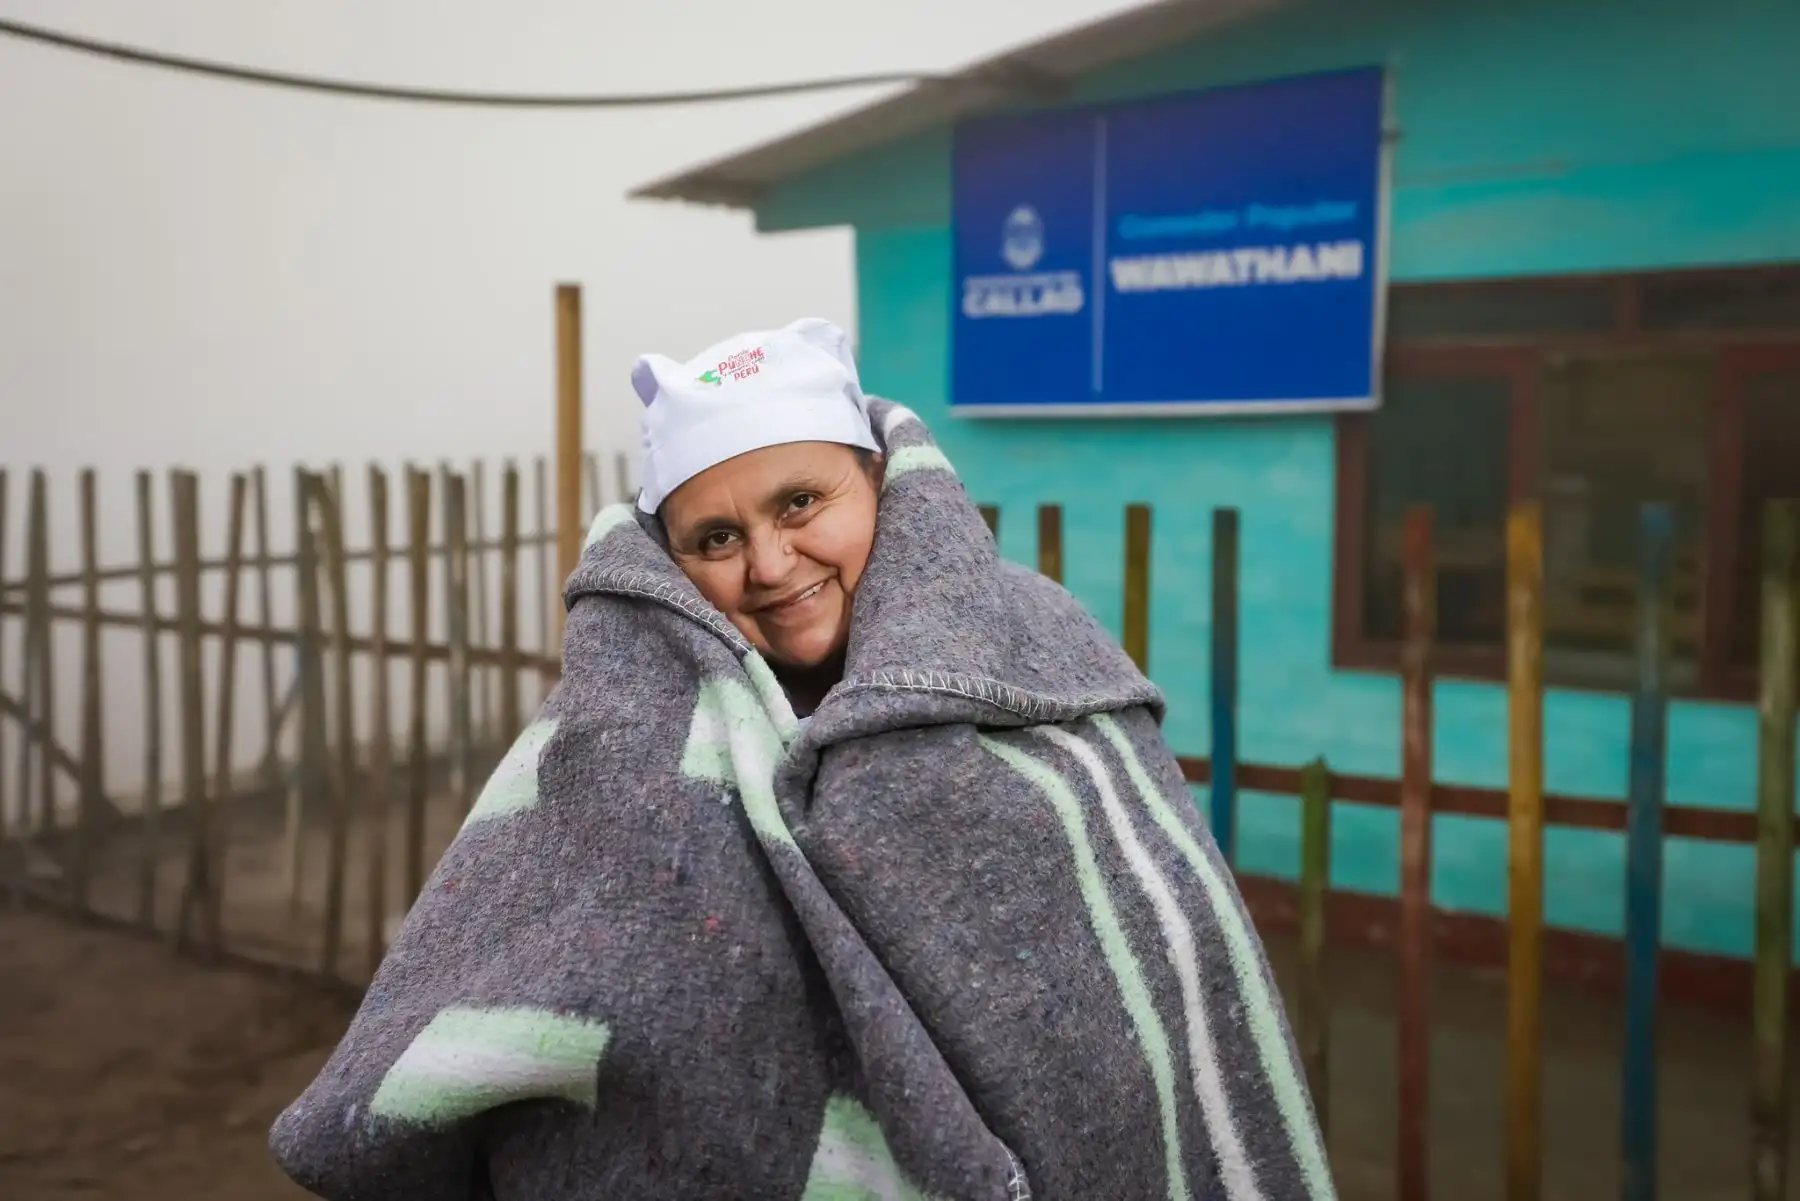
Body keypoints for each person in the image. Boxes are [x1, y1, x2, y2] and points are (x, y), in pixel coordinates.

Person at [270, 318, 1335, 1201]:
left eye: (800, 503)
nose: (772, 564)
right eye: (715, 538)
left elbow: (1163, 971)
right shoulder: (621, 737)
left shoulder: (1037, 649)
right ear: (666, 559)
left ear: (877, 481)